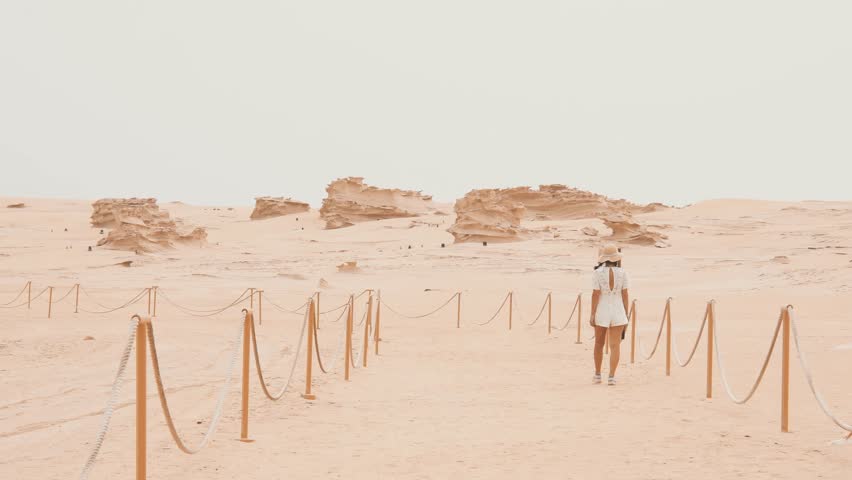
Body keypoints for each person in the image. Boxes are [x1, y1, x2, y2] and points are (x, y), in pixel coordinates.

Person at [590, 244, 630, 385]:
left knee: (599, 344)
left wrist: (592, 313)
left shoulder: (597, 273)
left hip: (602, 309)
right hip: (618, 310)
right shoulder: (622, 272)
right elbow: (625, 294)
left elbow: (595, 294)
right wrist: (626, 312)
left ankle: (597, 374)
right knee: (615, 345)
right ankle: (612, 376)